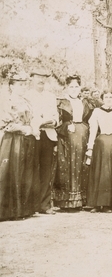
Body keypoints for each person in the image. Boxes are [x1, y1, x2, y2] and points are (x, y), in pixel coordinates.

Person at [0, 72, 39, 221]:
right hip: (13, 140)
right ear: (11, 86)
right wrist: (24, 129)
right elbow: (6, 124)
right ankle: (10, 211)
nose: (22, 87)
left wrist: (33, 129)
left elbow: (32, 118)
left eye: (24, 84)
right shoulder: (7, 102)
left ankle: (23, 209)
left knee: (26, 172)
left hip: (27, 140)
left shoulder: (26, 101)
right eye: (19, 85)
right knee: (14, 172)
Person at [54, 74, 94, 211]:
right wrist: (66, 126)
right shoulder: (61, 102)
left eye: (76, 86)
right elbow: (56, 122)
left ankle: (81, 200)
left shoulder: (85, 102)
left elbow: (90, 120)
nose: (74, 89)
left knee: (82, 164)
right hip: (67, 137)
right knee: (68, 165)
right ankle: (67, 201)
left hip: (83, 135)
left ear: (80, 87)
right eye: (71, 87)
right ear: (66, 87)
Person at [24, 69, 58, 215]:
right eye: (38, 76)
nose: (41, 79)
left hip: (48, 135)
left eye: (43, 77)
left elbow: (56, 114)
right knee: (31, 170)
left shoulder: (50, 96)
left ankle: (45, 205)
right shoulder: (26, 96)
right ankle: (32, 206)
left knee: (46, 170)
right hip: (32, 135)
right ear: (31, 78)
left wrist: (54, 121)